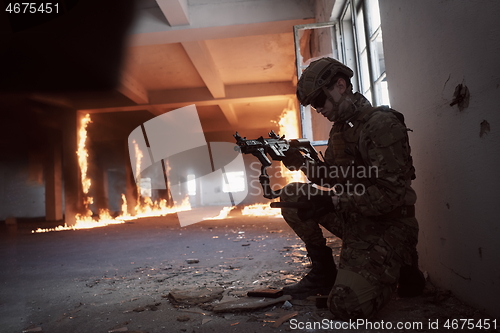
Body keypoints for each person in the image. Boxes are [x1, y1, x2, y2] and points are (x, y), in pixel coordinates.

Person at [279, 57, 425, 320]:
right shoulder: (340, 130)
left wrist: (334, 203)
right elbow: (333, 177)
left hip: (388, 225)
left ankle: (402, 265)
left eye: (319, 101)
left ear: (341, 85)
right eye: (313, 105)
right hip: (356, 219)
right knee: (292, 196)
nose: (318, 109)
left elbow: (390, 196)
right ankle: (324, 272)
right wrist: (301, 163)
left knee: (346, 305)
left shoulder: (380, 124)